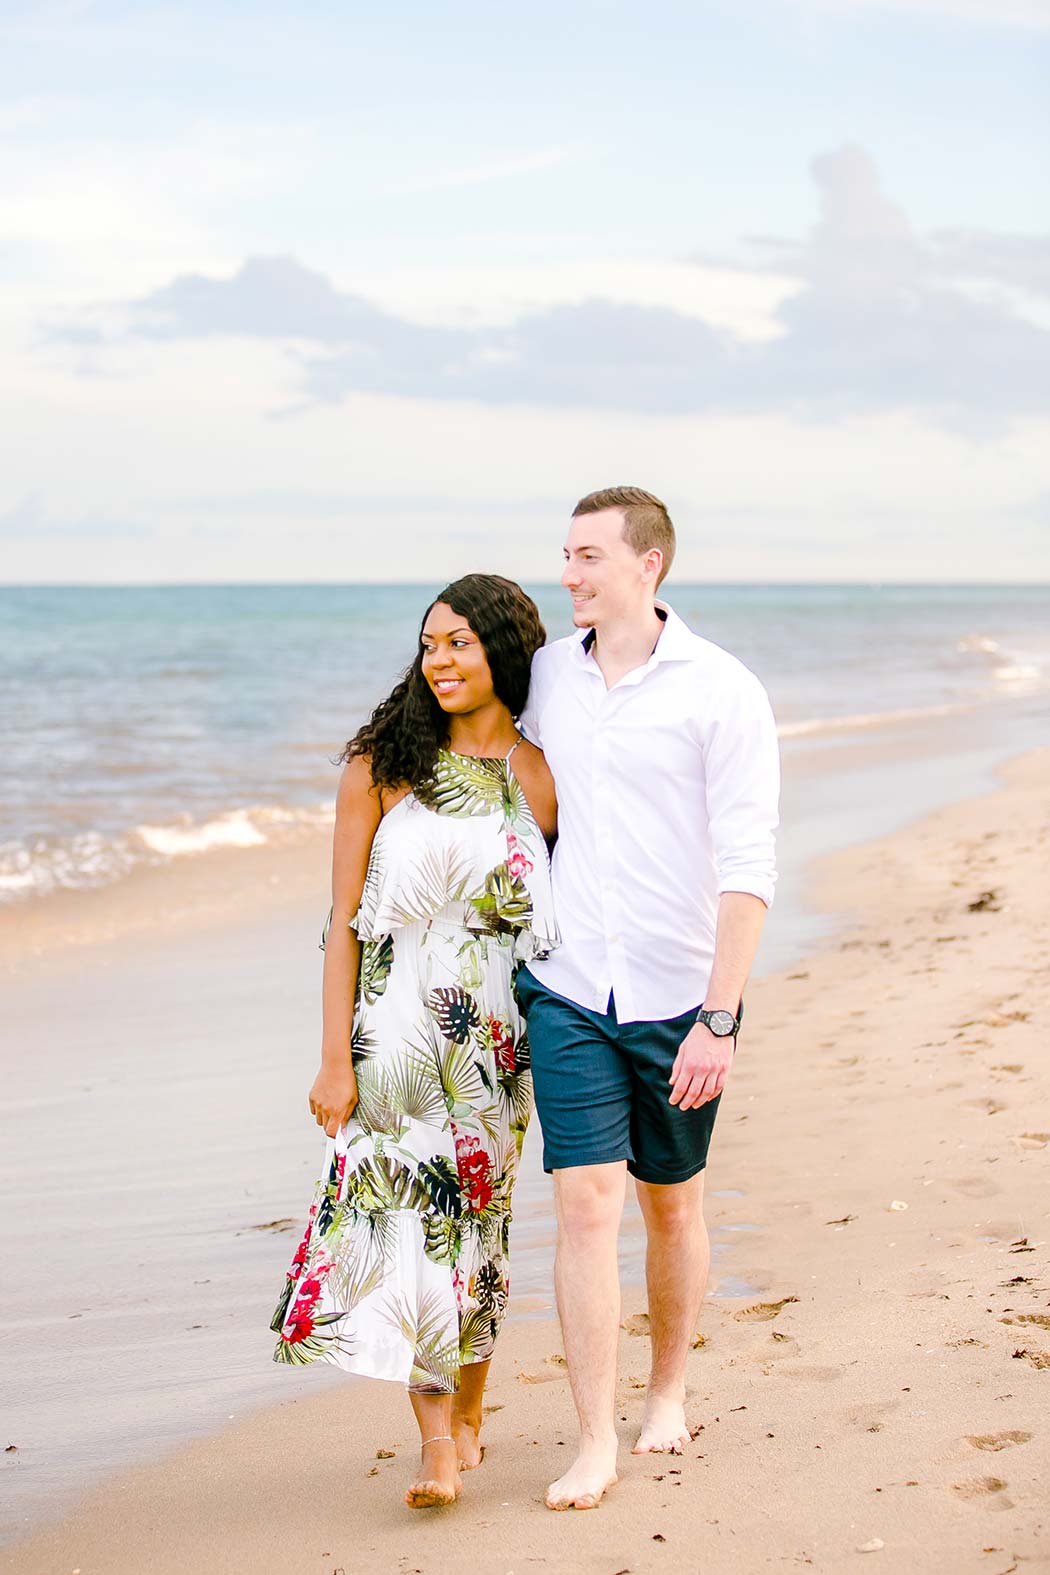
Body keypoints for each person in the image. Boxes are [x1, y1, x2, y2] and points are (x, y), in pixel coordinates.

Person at [516, 486, 780, 1511]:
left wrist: (720, 1015)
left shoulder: (722, 690)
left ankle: (667, 1390)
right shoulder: (547, 675)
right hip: (571, 982)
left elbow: (749, 864)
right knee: (586, 1204)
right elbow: (492, 755)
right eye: (567, 555)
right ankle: (592, 1439)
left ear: (647, 566)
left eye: (587, 557)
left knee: (674, 1205)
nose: (570, 574)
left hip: (680, 993)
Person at [271, 573, 558, 1510]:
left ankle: (470, 1415)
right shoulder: (381, 764)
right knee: (411, 1235)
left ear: (506, 652)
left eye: (461, 643)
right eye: (431, 642)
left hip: (495, 1045)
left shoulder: (542, 776)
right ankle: (437, 1443)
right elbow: (344, 921)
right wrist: (331, 1058)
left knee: (477, 1233)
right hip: (391, 1039)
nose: (440, 659)